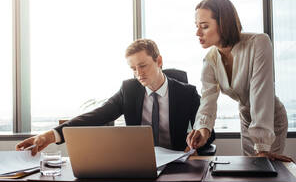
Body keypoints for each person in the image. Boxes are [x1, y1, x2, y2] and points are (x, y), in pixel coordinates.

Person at [16, 39, 215, 155]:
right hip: (138, 165)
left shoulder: (186, 93)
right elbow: (96, 116)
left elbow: (209, 131)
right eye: (133, 68)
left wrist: (199, 139)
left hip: (177, 163)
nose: (138, 74)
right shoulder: (129, 90)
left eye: (143, 65)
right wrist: (51, 135)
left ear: (159, 60)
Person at [186, 0, 292, 162]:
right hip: (246, 118)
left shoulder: (258, 43)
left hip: (270, 119)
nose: (197, 33)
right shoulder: (210, 60)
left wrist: (262, 146)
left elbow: (261, 93)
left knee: (266, 174)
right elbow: (208, 100)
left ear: (223, 24)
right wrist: (203, 130)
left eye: (204, 26)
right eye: (197, 26)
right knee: (252, 174)